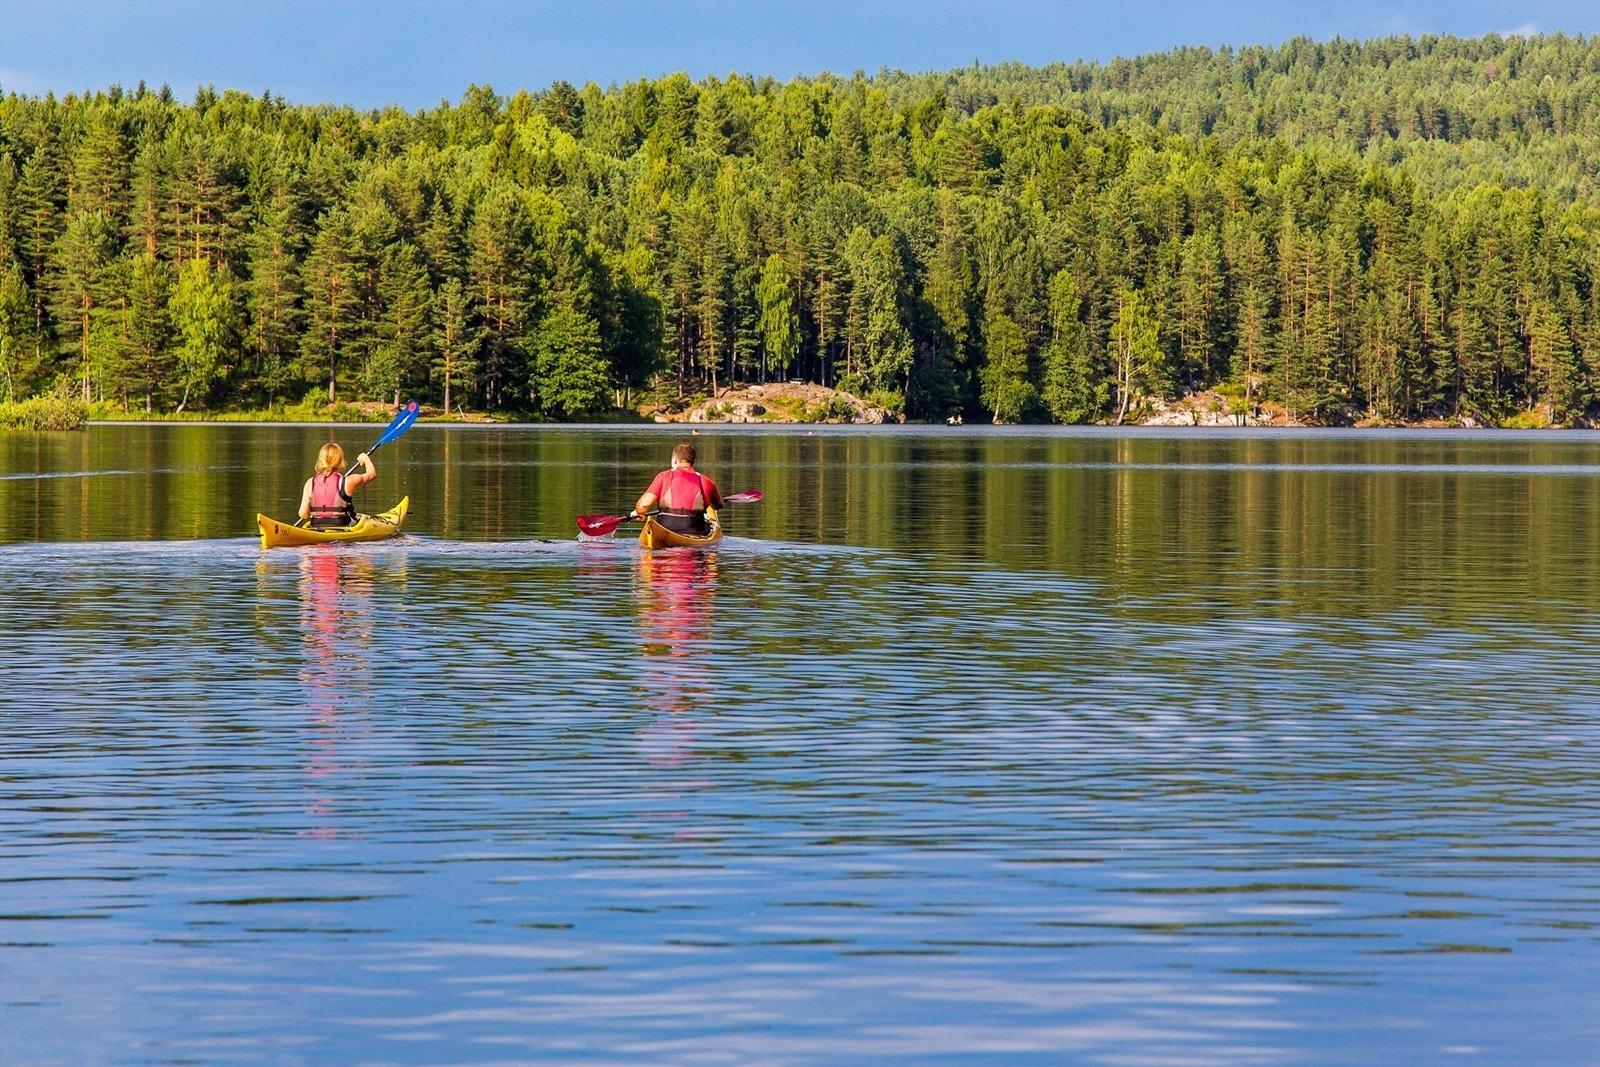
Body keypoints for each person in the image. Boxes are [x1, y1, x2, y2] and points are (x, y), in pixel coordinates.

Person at [632, 442, 724, 535]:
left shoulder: (663, 476)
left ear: (674, 459)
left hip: (664, 527)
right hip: (694, 530)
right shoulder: (706, 481)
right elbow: (718, 505)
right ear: (692, 461)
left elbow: (643, 506)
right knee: (709, 525)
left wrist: (638, 512)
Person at [298, 442, 377, 529]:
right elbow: (371, 474)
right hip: (342, 525)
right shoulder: (348, 481)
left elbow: (303, 514)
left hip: (316, 525)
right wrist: (366, 459)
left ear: (321, 460)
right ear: (340, 460)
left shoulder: (310, 482)